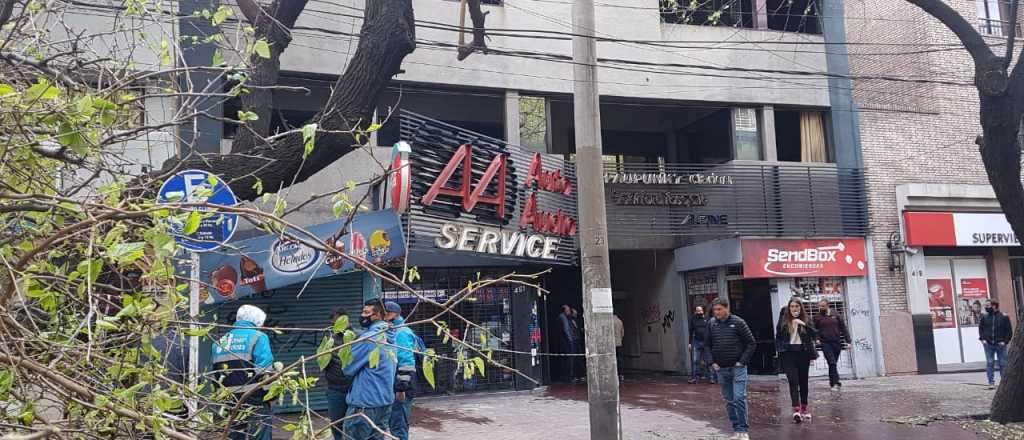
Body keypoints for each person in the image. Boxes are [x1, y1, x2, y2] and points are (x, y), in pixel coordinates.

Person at [211, 305, 275, 440]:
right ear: (257, 321)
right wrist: (271, 397)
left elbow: (216, 376)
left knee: (234, 436)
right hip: (256, 399)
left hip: (231, 401)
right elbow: (265, 371)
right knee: (260, 435)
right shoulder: (259, 337)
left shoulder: (219, 342)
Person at [343, 299, 397, 440]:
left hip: (364, 405)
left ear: (378, 314)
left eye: (366, 312)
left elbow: (347, 368)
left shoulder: (370, 338)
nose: (362, 315)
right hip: (384, 403)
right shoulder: (390, 336)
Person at [704, 298, 755, 440]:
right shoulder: (711, 324)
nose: (717, 312)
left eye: (719, 309)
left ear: (727, 308)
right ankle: (736, 429)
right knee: (729, 401)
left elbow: (751, 343)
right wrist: (711, 362)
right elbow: (706, 345)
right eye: (715, 310)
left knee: (739, 398)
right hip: (721, 368)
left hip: (737, 368)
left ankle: (743, 430)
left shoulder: (738, 322)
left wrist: (742, 361)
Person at [777, 298, 818, 424]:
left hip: (803, 353)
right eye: (792, 307)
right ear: (789, 308)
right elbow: (778, 336)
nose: (794, 309)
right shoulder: (784, 321)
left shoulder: (806, 319)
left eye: (797, 306)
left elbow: (815, 335)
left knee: (803, 381)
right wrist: (780, 350)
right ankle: (796, 409)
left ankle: (804, 408)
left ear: (801, 308)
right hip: (789, 354)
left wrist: (803, 324)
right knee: (793, 380)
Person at [384, 301, 419, 440]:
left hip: (402, 387)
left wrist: (401, 388)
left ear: (393, 314)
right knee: (396, 423)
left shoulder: (401, 332)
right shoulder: (395, 329)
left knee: (398, 425)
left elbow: (406, 362)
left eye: (384, 312)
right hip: (399, 385)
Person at [324, 307, 353, 440]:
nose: (333, 326)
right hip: (334, 389)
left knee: (354, 424)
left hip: (354, 389)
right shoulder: (329, 339)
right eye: (332, 324)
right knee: (336, 424)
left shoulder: (358, 337)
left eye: (335, 323)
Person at [813, 299, 850, 391]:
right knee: (832, 362)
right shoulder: (817, 317)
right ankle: (836, 383)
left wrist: (848, 341)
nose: (821, 308)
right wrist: (816, 339)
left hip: (836, 342)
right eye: (820, 306)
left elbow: (843, 328)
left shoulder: (836, 314)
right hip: (825, 343)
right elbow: (814, 329)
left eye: (823, 306)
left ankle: (832, 382)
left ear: (827, 305)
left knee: (833, 364)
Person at [979, 299, 1013, 388]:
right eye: (985, 306)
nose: (986, 307)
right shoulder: (984, 317)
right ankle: (991, 382)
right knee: (990, 362)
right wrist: (983, 340)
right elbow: (981, 330)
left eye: (987, 305)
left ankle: (1004, 384)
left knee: (1003, 363)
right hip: (988, 345)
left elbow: (1009, 331)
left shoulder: (1004, 317)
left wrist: (1005, 342)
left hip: (1000, 345)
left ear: (994, 306)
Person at [688, 306, 713, 384]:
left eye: (700, 310)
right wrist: (689, 343)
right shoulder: (693, 319)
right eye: (697, 311)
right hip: (697, 342)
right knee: (696, 361)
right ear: (695, 311)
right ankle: (695, 378)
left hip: (706, 343)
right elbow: (691, 331)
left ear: (703, 311)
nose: (699, 312)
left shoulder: (707, 318)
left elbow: (711, 331)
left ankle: (711, 378)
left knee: (708, 360)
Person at [558, 305, 582, 383]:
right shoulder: (563, 318)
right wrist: (570, 339)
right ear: (564, 310)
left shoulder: (568, 318)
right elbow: (566, 329)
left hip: (570, 341)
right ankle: (569, 377)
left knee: (572, 358)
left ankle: (571, 376)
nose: (569, 311)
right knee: (569, 359)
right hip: (567, 342)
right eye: (568, 310)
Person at [613, 313, 625, 379]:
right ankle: (621, 374)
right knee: (620, 359)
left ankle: (615, 373)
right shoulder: (620, 321)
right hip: (619, 343)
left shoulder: (610, 322)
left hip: (612, 344)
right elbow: (622, 333)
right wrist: (620, 339)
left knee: (613, 359)